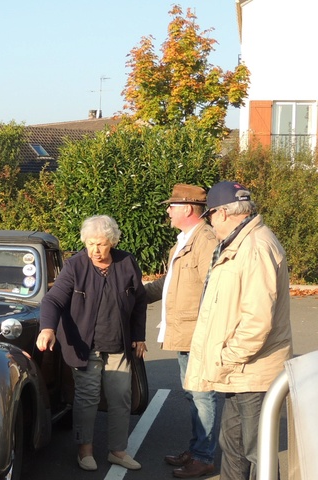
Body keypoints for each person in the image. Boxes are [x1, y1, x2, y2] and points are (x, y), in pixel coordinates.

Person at [184, 181, 293, 480]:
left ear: (221, 213)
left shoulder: (256, 246)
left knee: (259, 453)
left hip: (253, 372)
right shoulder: (239, 242)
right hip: (239, 372)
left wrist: (227, 357)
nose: (209, 222)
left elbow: (257, 320)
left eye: (208, 216)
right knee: (232, 446)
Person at [36, 214, 147, 471]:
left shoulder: (127, 262)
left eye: (101, 244)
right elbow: (52, 300)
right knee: (87, 398)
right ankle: (84, 450)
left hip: (119, 343)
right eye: (90, 244)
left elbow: (139, 301)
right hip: (84, 345)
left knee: (121, 396)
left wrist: (139, 335)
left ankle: (118, 451)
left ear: (112, 242)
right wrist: (48, 328)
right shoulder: (75, 266)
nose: (95, 250)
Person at [144, 184, 219, 478]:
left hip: (197, 332)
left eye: (172, 206)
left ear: (188, 209)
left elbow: (213, 289)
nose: (168, 210)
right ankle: (197, 448)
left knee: (202, 394)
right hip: (185, 331)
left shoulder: (206, 240)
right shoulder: (186, 239)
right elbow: (169, 281)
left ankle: (204, 456)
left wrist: (206, 331)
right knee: (193, 394)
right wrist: (135, 293)